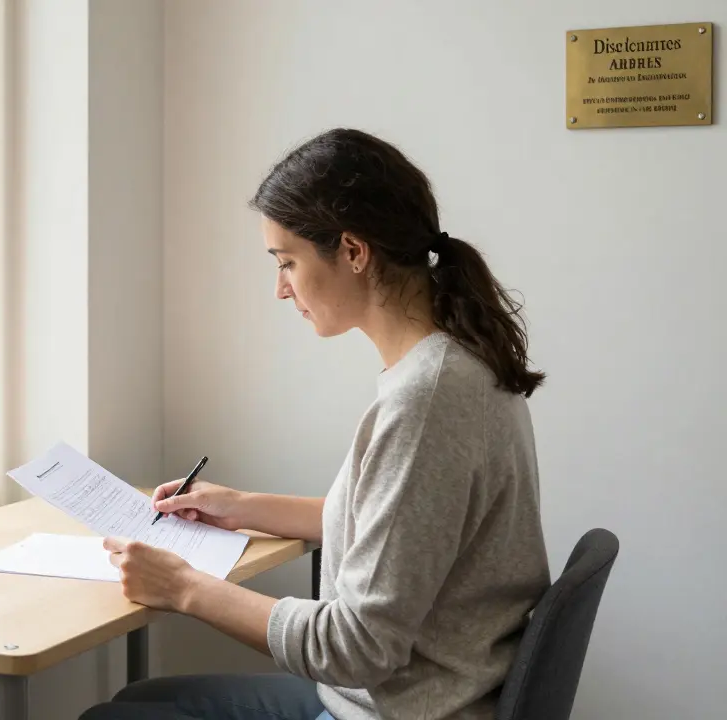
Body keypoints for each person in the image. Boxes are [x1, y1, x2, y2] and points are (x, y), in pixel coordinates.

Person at [81, 129, 551, 720]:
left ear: (354, 252)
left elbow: (355, 648)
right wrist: (239, 504)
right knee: (136, 702)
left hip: (392, 708)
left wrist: (184, 588)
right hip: (415, 696)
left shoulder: (426, 402)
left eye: (287, 262)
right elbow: (398, 531)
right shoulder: (452, 367)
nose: (281, 289)